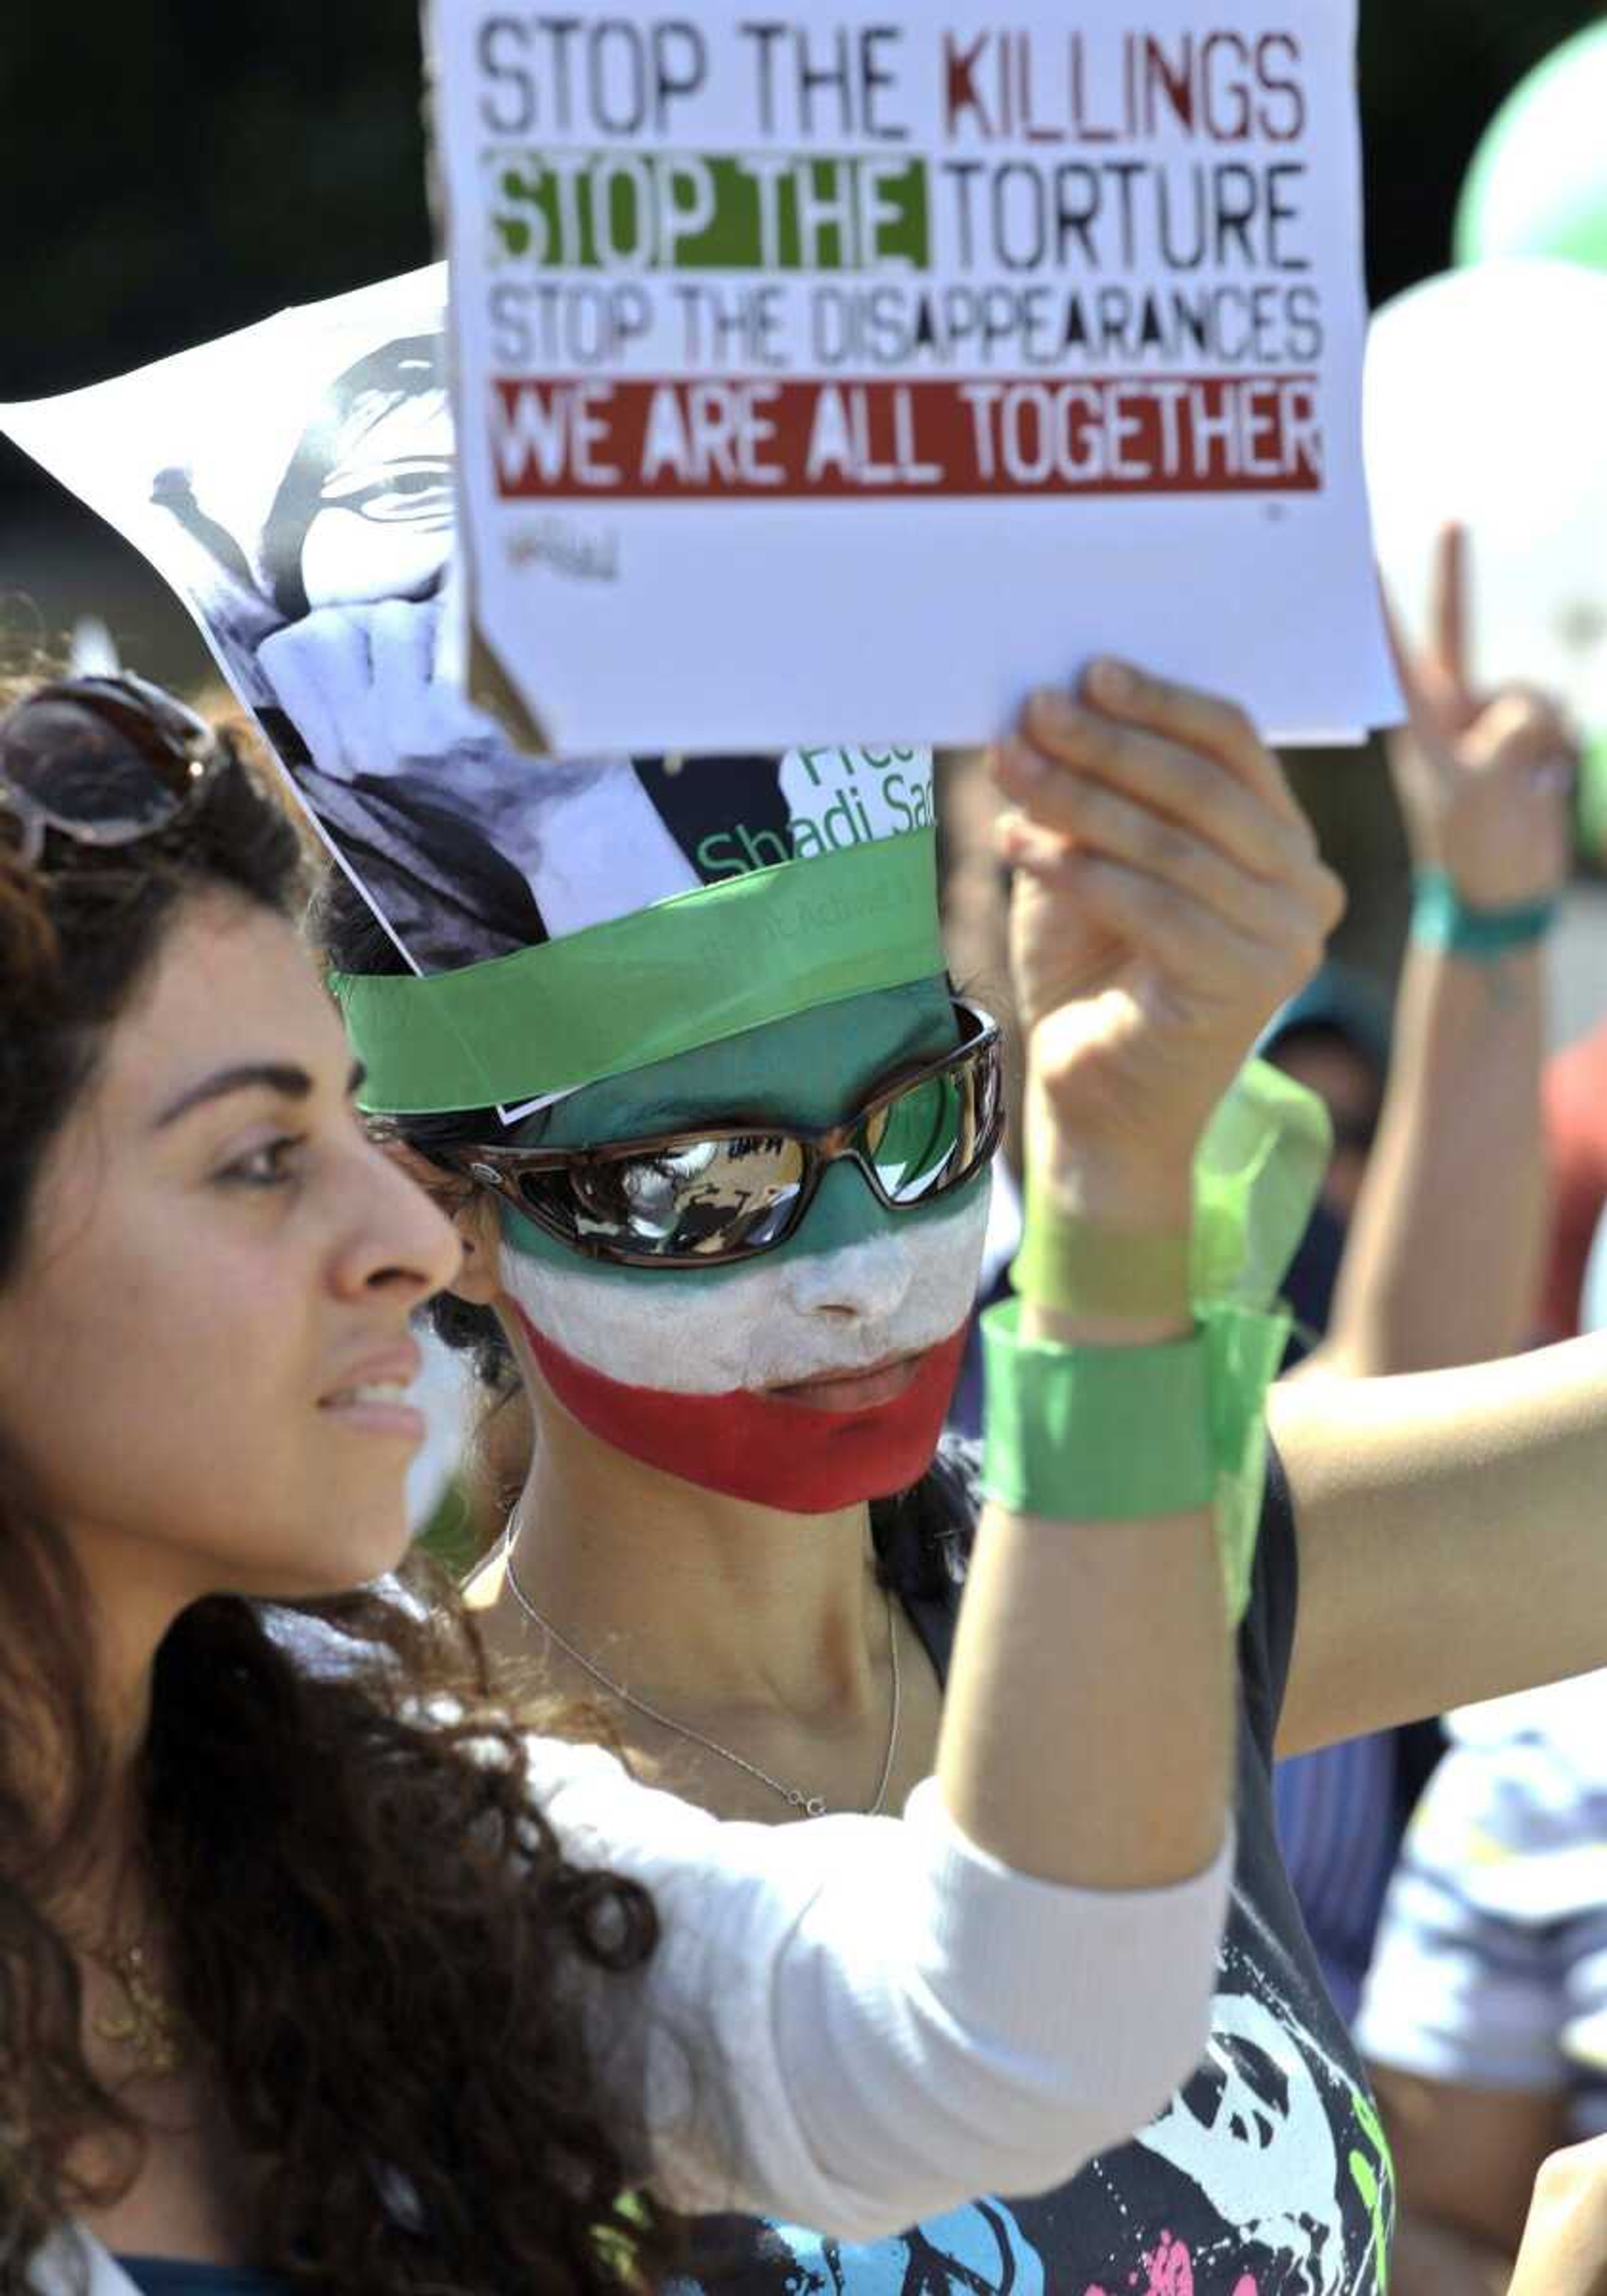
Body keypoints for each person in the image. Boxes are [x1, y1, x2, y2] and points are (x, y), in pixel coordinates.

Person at [316, 624, 1607, 2296]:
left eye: (919, 1121)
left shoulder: (1135, 1590)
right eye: (711, 1180)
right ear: (454, 1219)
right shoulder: (349, 1830)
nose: (860, 1268)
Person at [1, 668, 1250, 2296]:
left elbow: (1021, 2032)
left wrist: (1117, 1183)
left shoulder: (362, 1814)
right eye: (258, 1161)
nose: (401, 1244)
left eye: (924, 1117)